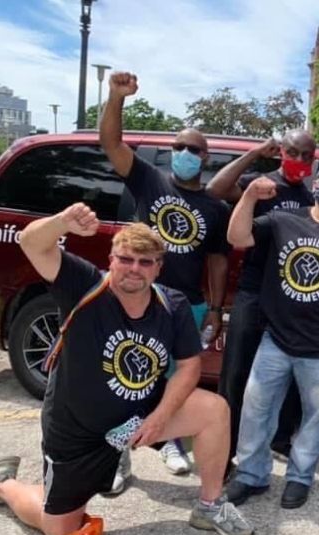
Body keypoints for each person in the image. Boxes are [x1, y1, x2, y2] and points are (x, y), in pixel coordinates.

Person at [0, 206, 251, 535]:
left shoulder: (172, 304)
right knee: (58, 528)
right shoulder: (84, 285)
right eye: (126, 259)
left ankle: (210, 507)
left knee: (214, 409)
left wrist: (159, 418)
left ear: (158, 268)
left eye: (145, 262)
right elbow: (30, 242)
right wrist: (61, 223)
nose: (135, 269)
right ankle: (1, 483)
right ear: (111, 259)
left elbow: (189, 366)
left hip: (139, 416)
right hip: (78, 430)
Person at [224, 160, 319, 509]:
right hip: (276, 339)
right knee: (255, 409)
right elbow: (237, 237)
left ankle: (299, 478)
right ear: (315, 183)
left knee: (314, 417)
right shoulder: (283, 220)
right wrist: (248, 196)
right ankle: (251, 475)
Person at [100, 71, 232, 480]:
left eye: (194, 148)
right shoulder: (150, 180)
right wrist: (116, 97)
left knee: (174, 381)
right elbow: (111, 143)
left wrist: (213, 308)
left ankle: (170, 443)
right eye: (179, 146)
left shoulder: (213, 206)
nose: (185, 152)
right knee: (123, 376)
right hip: (136, 297)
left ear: (205, 158)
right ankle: (117, 456)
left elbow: (217, 262)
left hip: (185, 306)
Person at [207, 132, 316, 469]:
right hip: (254, 292)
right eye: (292, 151)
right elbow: (216, 190)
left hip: (291, 296)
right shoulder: (261, 183)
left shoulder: (311, 198)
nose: (297, 158)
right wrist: (255, 154)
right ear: (281, 152)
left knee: (290, 374)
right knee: (236, 373)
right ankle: (224, 453)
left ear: (312, 161)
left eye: (305, 154)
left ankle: (280, 440)